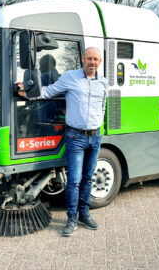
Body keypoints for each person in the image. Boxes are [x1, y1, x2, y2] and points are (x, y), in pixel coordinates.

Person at [16, 47, 108, 237]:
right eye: (89, 58)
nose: (92, 62)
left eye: (96, 59)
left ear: (100, 61)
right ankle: (72, 219)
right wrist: (26, 91)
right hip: (76, 137)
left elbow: (103, 105)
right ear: (83, 59)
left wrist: (99, 124)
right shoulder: (70, 77)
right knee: (74, 180)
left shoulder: (103, 82)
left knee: (88, 178)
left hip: (95, 136)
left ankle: (85, 214)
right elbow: (48, 91)